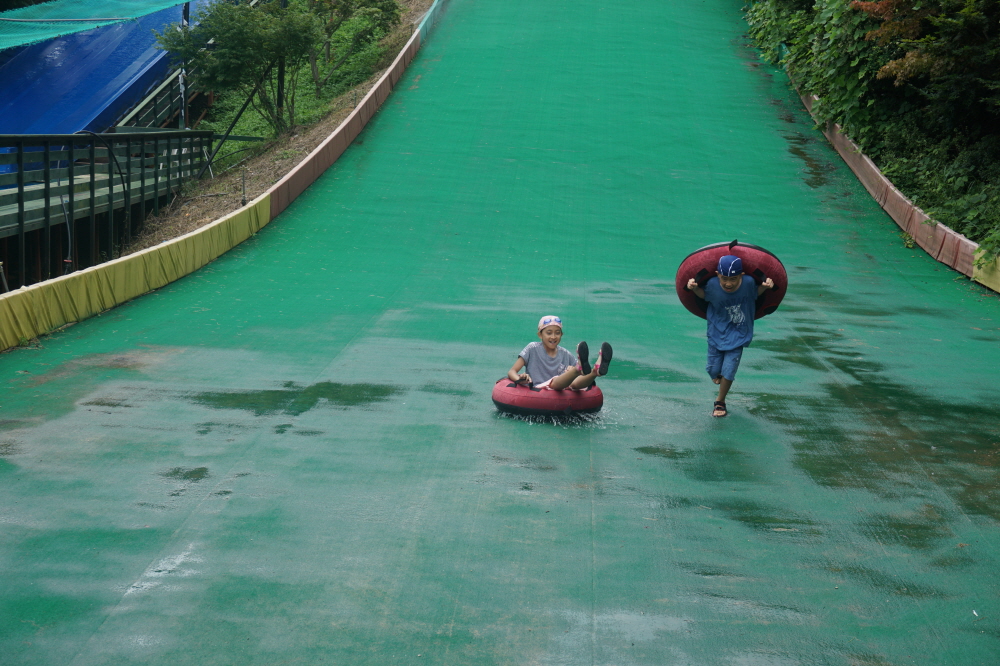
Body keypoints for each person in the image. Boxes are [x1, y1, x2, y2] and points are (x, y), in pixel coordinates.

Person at [686, 255, 773, 417]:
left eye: (733, 279)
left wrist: (765, 286)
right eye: (724, 278)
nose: (728, 283)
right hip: (716, 331)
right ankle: (717, 374)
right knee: (713, 371)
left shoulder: (748, 283)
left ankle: (720, 401)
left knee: (730, 369)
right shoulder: (712, 285)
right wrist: (694, 288)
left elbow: (755, 293)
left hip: (739, 332)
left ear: (741, 275)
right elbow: (704, 296)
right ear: (717, 274)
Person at [507, 315, 613, 389]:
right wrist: (520, 379)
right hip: (538, 388)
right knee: (554, 382)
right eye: (549, 333)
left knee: (574, 383)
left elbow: (578, 379)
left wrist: (571, 371)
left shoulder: (565, 354)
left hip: (562, 390)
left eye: (557, 333)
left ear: (561, 335)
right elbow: (512, 371)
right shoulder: (532, 348)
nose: (553, 337)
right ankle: (577, 369)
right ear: (540, 335)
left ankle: (595, 372)